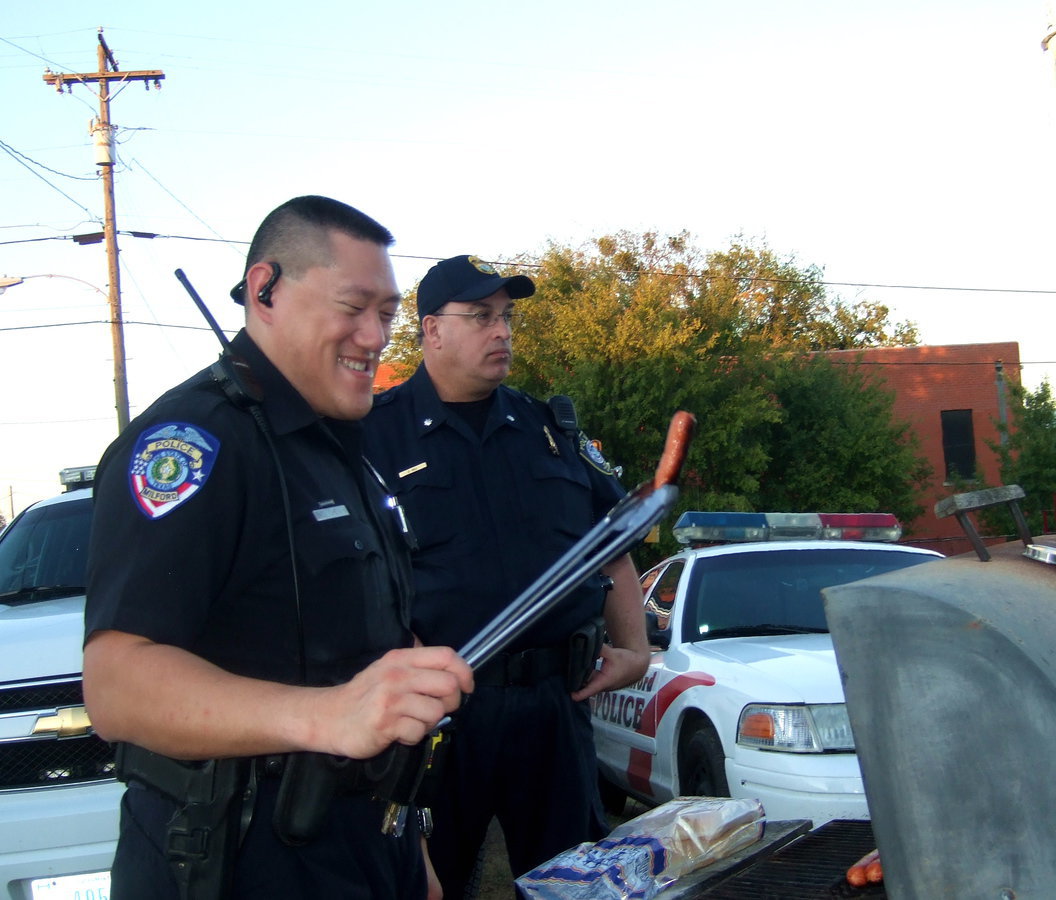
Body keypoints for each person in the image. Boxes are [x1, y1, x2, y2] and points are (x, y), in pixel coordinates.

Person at [83, 196, 474, 899]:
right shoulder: (195, 444)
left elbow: (366, 657)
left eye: (387, 313)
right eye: (353, 306)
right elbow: (116, 685)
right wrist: (328, 716)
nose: (375, 334)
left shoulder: (341, 452)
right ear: (265, 289)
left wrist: (408, 847)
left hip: (358, 847)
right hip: (234, 862)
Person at [362, 254, 651, 896]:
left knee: (575, 884)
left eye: (507, 317)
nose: (503, 332)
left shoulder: (548, 430)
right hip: (440, 718)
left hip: (555, 707)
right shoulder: (374, 437)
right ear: (432, 330)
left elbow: (615, 540)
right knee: (420, 882)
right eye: (482, 317)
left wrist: (633, 647)